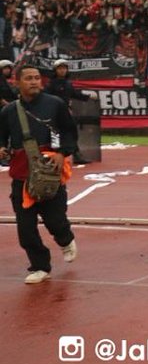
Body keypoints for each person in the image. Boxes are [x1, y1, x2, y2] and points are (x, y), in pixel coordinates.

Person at [0, 63, 79, 284]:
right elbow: (1, 137)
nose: (34, 81)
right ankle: (40, 266)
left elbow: (69, 131)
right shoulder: (8, 111)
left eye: (37, 77)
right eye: (29, 78)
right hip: (21, 174)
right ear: (16, 82)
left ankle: (66, 240)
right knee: (25, 229)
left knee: (55, 220)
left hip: (49, 171)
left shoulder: (56, 104)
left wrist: (62, 154)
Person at [45, 60, 96, 165]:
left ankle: (76, 154)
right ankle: (51, 155)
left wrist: (88, 96)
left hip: (66, 113)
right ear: (55, 70)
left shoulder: (68, 83)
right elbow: (46, 97)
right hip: (54, 113)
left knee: (72, 133)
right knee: (54, 135)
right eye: (60, 68)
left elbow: (74, 94)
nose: (62, 70)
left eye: (64, 68)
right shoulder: (51, 84)